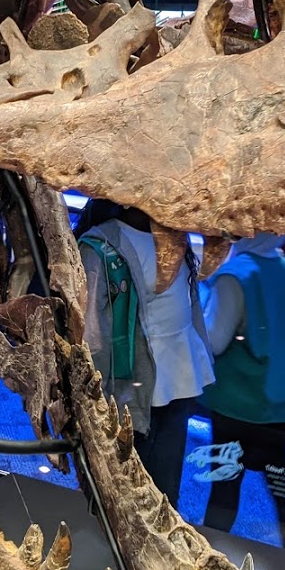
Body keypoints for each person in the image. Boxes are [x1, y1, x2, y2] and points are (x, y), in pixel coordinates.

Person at [76, 200, 214, 504]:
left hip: (178, 383)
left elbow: (189, 304)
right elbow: (91, 334)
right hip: (131, 393)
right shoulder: (100, 247)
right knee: (123, 492)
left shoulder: (177, 237)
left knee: (165, 492)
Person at [196, 234, 285, 543]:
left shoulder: (235, 275)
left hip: (237, 403)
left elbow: (215, 341)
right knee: (283, 486)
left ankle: (212, 546)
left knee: (224, 483)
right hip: (282, 402)